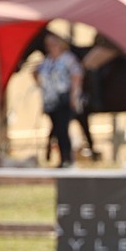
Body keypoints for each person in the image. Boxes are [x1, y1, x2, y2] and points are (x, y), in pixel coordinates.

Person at [35, 32, 83, 168]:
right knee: (56, 129)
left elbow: (76, 76)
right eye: (48, 45)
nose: (51, 47)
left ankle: (68, 159)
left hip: (64, 98)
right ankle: (63, 158)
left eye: (53, 44)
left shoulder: (68, 59)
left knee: (63, 129)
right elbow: (39, 76)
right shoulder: (47, 60)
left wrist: (74, 96)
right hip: (50, 100)